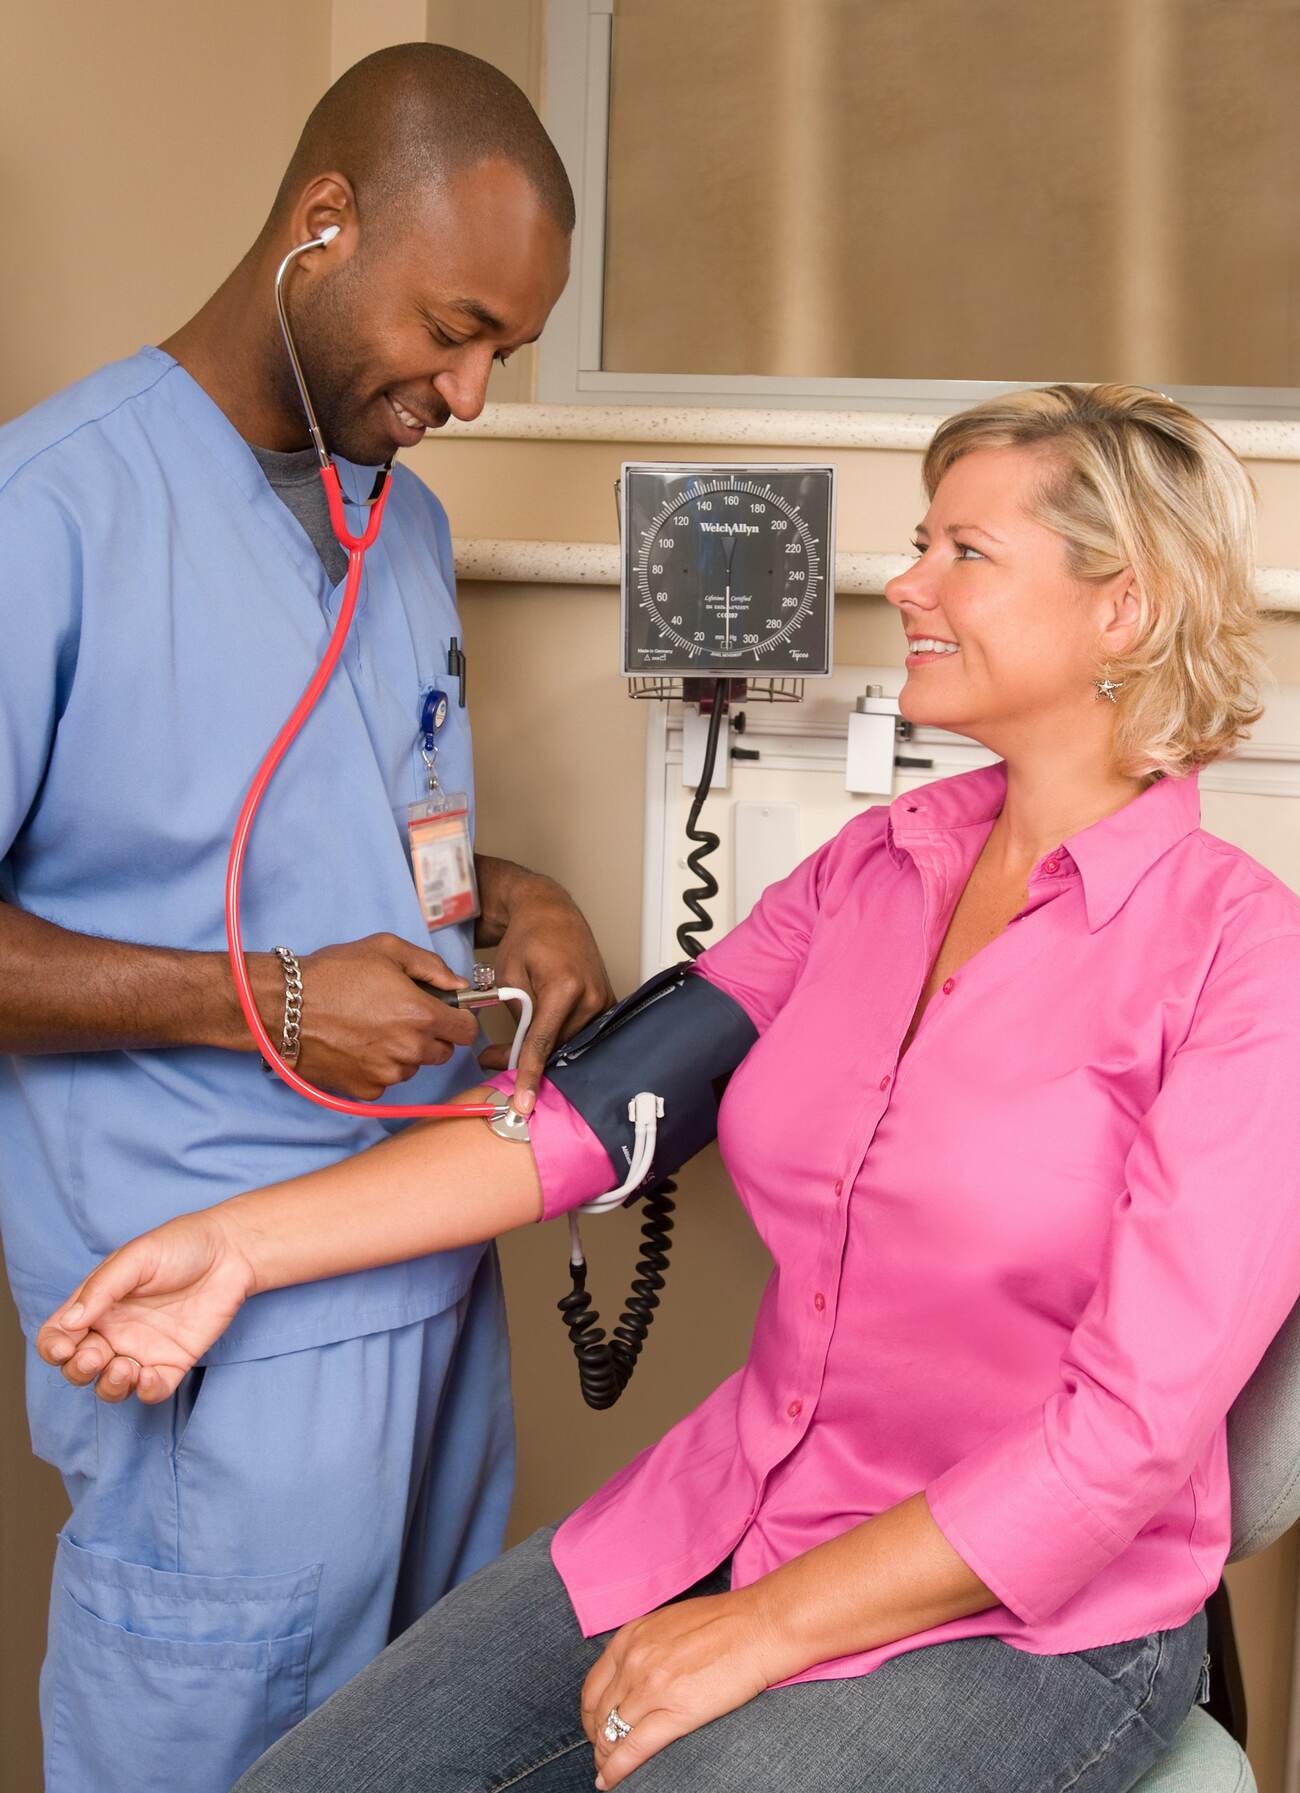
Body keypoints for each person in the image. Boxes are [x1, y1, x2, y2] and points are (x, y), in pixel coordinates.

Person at [39, 385, 1300, 1793]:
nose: (907, 581)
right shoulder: (876, 868)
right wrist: (239, 1244)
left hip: (1036, 1614)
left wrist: (759, 1628)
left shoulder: (1244, 959)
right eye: (918, 541)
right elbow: (586, 1120)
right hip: (737, 1501)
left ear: (1120, 608)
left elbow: (1125, 1440)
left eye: (965, 551)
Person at [3, 42, 616, 1793]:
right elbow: (270, 942)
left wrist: (526, 898)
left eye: (506, 347)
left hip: (434, 1286)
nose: (476, 389)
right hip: (217, 1337)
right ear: (323, 224)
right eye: (454, 326)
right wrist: (266, 997)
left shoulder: (399, 527)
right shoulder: (48, 516)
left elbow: (344, 831)